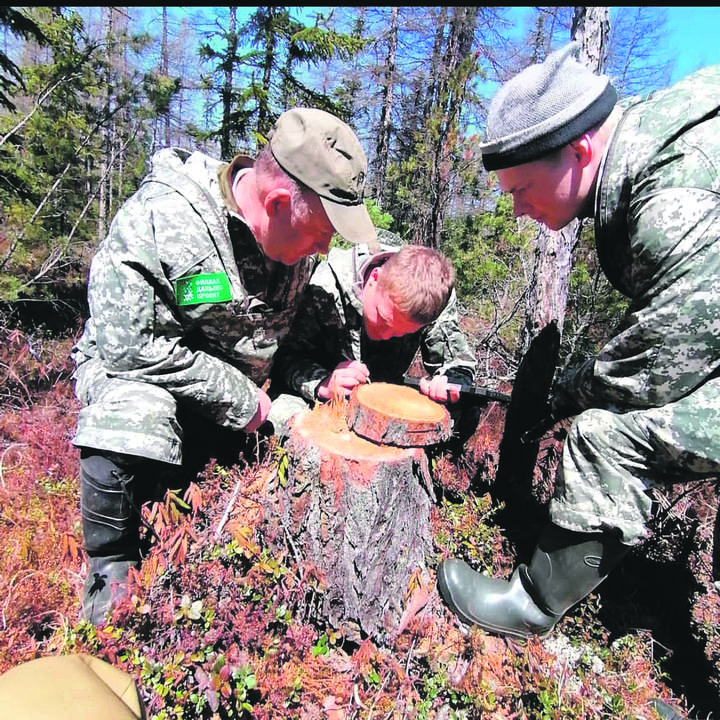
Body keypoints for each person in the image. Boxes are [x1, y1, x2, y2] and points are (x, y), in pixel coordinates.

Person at [437, 42, 720, 639]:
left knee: (608, 437)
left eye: (521, 190)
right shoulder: (648, 148)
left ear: (579, 148)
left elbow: (674, 347)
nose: (516, 211)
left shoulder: (669, 185)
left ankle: (532, 606)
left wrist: (573, 392)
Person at [72, 107, 377, 625]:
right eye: (321, 233)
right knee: (135, 412)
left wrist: (315, 381)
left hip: (246, 394)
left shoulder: (292, 242)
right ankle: (110, 563)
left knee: (313, 433)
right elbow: (130, 346)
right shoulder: (163, 218)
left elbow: (277, 347)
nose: (325, 248)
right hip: (145, 377)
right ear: (278, 203)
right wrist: (234, 397)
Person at [269, 230, 477, 437]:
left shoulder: (431, 296)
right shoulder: (325, 286)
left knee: (464, 412)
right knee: (282, 417)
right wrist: (323, 384)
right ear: (374, 279)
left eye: (402, 333)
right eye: (383, 320)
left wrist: (450, 380)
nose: (387, 335)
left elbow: (457, 360)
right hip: (324, 395)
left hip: (385, 394)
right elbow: (284, 357)